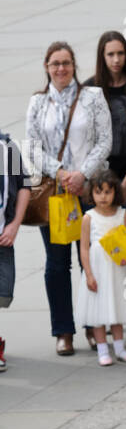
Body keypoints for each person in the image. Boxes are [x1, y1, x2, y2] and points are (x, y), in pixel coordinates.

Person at [25, 41, 112, 355]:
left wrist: (82, 174)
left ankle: (94, 326)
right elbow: (32, 146)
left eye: (66, 63)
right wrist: (62, 173)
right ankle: (63, 331)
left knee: (91, 260)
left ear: (75, 65)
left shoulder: (92, 97)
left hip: (90, 191)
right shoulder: (38, 102)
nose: (61, 69)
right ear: (47, 68)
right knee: (57, 265)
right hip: (56, 193)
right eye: (54, 64)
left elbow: (105, 140)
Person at [83, 31, 126, 332]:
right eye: (110, 54)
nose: (116, 60)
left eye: (121, 54)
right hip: (99, 181)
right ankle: (104, 309)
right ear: (102, 56)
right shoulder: (90, 89)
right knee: (99, 244)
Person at [76, 170, 126, 365]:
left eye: (107, 192)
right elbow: (84, 248)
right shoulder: (89, 217)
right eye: (98, 192)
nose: (103, 197)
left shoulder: (122, 214)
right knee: (99, 309)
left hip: (118, 269)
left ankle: (120, 348)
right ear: (91, 194)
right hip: (98, 269)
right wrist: (88, 274)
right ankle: (103, 350)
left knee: (118, 306)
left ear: (115, 193)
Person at [0, 129, 31, 372]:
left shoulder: (7, 147)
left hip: (2, 235)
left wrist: (14, 225)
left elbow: (24, 186)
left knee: (2, 292)